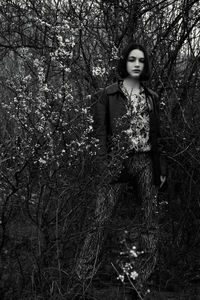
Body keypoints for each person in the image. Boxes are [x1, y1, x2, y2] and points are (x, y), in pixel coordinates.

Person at [76, 42, 167, 289]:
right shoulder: (108, 94)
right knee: (100, 219)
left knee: (150, 221)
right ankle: (82, 278)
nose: (137, 64)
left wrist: (160, 171)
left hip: (146, 161)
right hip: (117, 161)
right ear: (124, 63)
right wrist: (105, 167)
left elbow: (158, 138)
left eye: (141, 60)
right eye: (132, 59)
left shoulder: (152, 98)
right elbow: (100, 135)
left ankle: (139, 280)